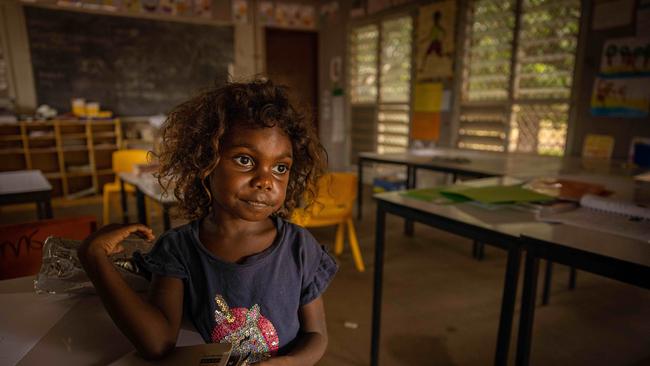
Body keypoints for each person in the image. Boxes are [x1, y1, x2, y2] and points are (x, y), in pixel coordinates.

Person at [78, 79, 336, 365]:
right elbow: (157, 344)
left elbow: (317, 335)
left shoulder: (300, 247)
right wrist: (95, 259)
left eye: (280, 168)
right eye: (245, 160)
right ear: (205, 162)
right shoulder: (179, 249)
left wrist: (291, 363)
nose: (265, 181)